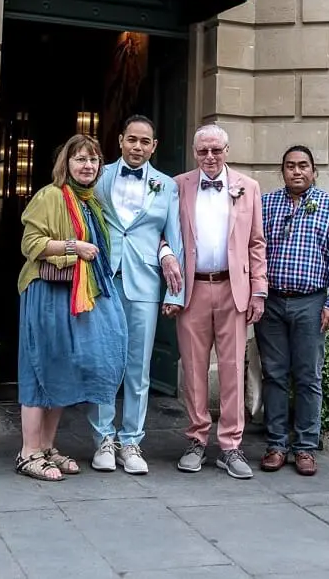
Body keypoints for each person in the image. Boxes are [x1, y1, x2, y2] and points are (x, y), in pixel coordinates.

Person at [14, 134, 127, 481]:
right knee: (38, 366)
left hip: (73, 294)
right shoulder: (49, 196)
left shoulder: (91, 202)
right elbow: (30, 244)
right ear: (66, 163)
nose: (87, 166)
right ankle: (28, 452)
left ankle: (47, 447)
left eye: (93, 160)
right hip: (46, 292)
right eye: (80, 159)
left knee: (62, 366)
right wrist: (74, 247)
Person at [168, 123, 267, 480]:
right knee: (194, 369)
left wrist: (258, 290)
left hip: (233, 288)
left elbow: (257, 243)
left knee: (232, 369)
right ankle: (196, 439)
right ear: (195, 153)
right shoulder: (178, 186)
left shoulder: (248, 187)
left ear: (227, 150)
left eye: (216, 150)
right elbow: (166, 234)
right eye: (202, 151)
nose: (209, 157)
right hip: (192, 289)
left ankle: (230, 445)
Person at [89, 114, 185, 475]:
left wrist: (176, 293)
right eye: (132, 140)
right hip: (102, 278)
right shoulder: (100, 176)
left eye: (145, 142)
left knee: (138, 367)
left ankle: (131, 441)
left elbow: (174, 239)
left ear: (154, 146)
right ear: (120, 140)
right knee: (103, 362)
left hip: (145, 282)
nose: (138, 147)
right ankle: (102, 438)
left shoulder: (167, 185)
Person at [258, 145, 329, 476]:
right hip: (270, 301)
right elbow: (254, 251)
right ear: (281, 171)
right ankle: (276, 444)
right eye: (289, 166)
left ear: (314, 171)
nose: (296, 171)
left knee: (308, 376)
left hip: (310, 302)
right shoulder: (266, 204)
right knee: (274, 374)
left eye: (303, 166)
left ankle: (305, 447)